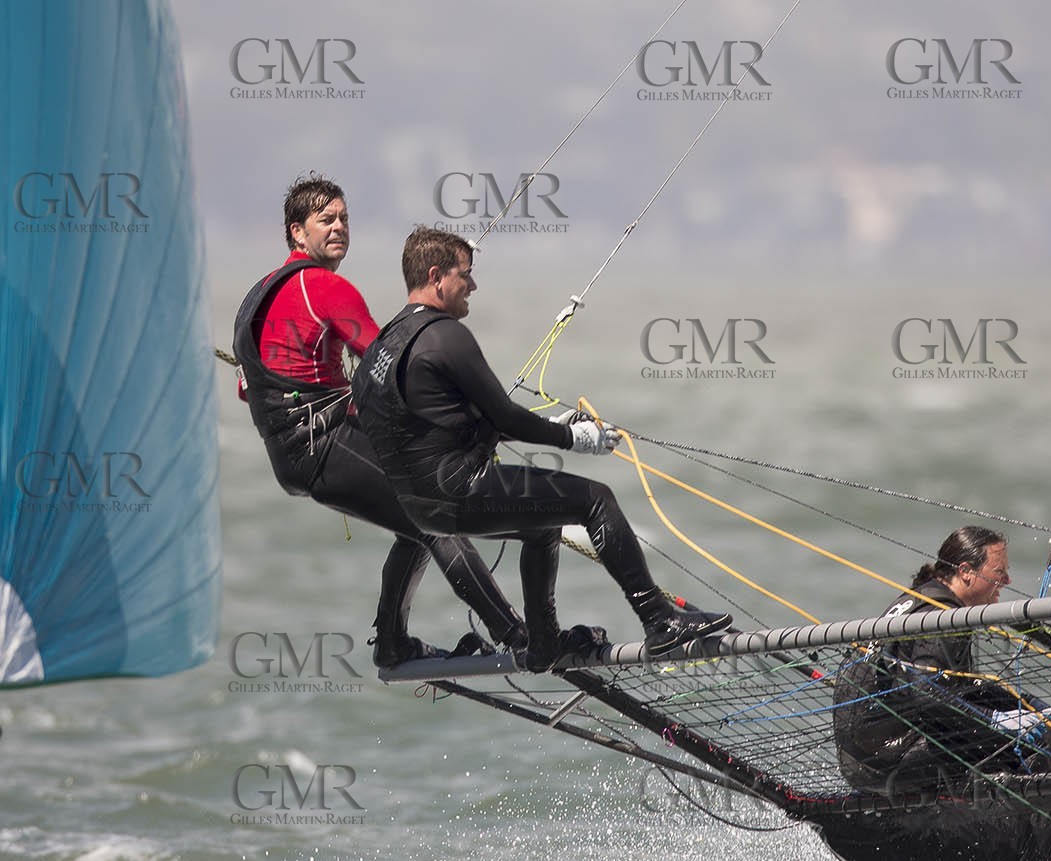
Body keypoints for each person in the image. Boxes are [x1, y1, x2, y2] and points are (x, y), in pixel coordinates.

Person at [348, 226, 731, 672]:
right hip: (459, 492)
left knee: (541, 522)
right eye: (465, 275)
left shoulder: (382, 345)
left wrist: (547, 425)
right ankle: (660, 620)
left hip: (420, 509)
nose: (473, 285)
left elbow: (423, 425)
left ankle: (544, 643)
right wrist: (573, 439)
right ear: (436, 277)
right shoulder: (445, 337)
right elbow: (503, 416)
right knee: (594, 500)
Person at [232, 177, 525, 668]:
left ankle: (392, 642)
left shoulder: (257, 296)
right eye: (326, 220)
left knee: (414, 521)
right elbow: (389, 360)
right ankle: (519, 636)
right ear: (297, 233)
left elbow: (249, 388)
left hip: (292, 456)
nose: (340, 227)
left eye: (344, 218)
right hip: (322, 446)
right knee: (438, 519)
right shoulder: (324, 286)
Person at [833, 526, 1051, 794]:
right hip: (888, 758)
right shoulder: (945, 617)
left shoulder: (921, 597)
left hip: (862, 758)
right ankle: (1020, 823)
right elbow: (925, 693)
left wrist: (1025, 704)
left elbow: (955, 688)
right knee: (1036, 741)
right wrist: (995, 720)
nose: (1008, 580)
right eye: (999, 572)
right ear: (965, 572)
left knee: (1020, 726)